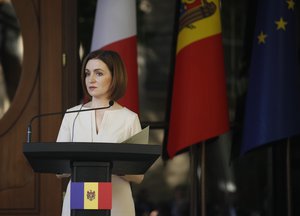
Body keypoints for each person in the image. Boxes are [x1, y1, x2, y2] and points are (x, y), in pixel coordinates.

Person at [56, 50, 144, 216]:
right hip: (78, 200)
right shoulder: (72, 115)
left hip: (116, 202)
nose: (91, 79)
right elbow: (59, 170)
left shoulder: (129, 118)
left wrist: (114, 166)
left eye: (99, 73)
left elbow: (138, 175)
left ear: (114, 77)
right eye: (87, 73)